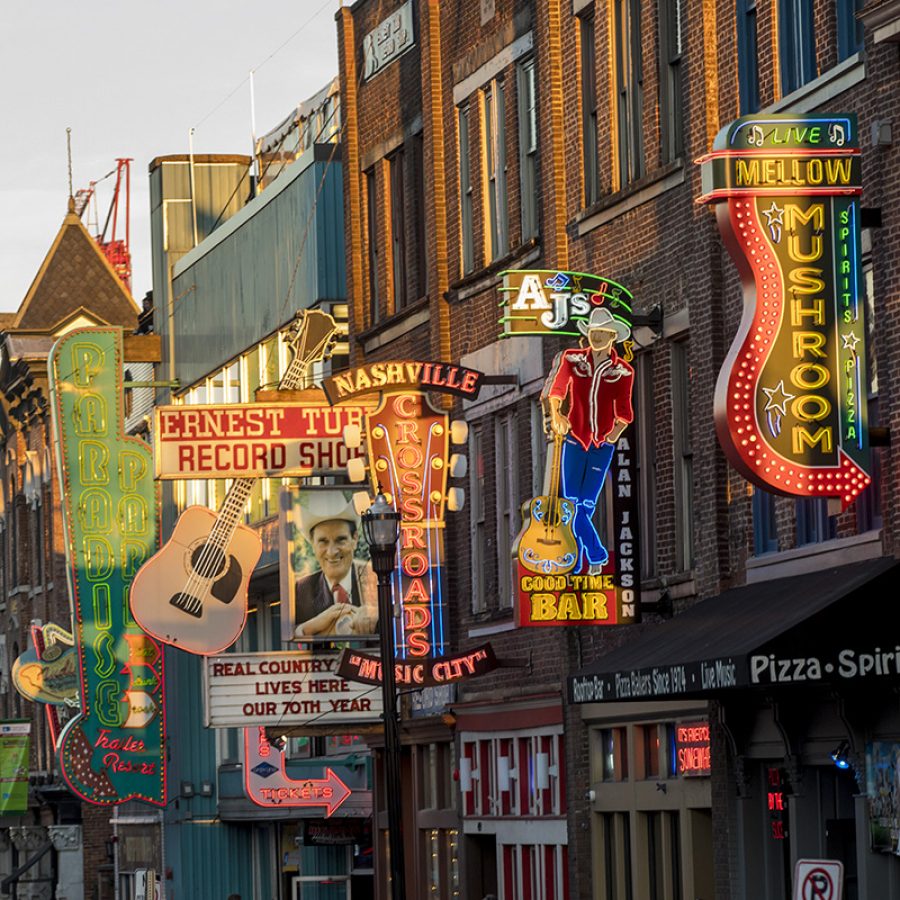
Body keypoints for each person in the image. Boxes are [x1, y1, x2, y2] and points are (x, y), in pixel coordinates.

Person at [543, 306, 634, 571]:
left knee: (584, 506)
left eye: (603, 333)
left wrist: (611, 438)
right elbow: (557, 388)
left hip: (600, 447)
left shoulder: (623, 372)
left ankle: (574, 563)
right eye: (594, 333)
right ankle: (594, 557)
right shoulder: (573, 360)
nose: (598, 338)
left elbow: (625, 412)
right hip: (574, 440)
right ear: (589, 334)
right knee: (572, 506)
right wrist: (556, 413)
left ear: (612, 337)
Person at [293, 493, 377, 637]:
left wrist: (379, 613)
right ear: (312, 544)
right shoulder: (300, 591)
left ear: (355, 539)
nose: (332, 552)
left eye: (340, 540)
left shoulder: (377, 578)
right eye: (323, 541)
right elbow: (293, 637)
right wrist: (308, 628)